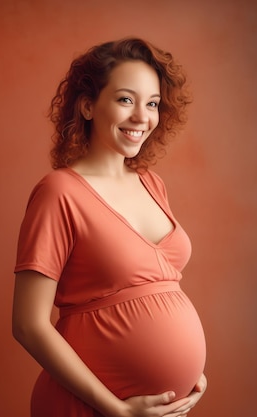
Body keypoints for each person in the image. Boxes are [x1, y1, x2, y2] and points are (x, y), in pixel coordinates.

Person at [12, 37, 207, 417]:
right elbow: (28, 324)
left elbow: (160, 290)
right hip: (91, 408)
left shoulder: (151, 183)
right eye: (125, 100)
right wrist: (117, 410)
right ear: (87, 106)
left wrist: (190, 373)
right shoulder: (58, 193)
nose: (142, 117)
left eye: (152, 104)